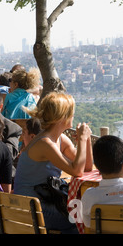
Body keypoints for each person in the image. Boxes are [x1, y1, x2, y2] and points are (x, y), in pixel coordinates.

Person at [13, 92, 93, 233]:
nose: (73, 116)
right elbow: (77, 171)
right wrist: (80, 140)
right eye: (71, 113)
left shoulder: (59, 138)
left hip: (43, 202)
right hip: (32, 207)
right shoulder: (45, 142)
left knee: (83, 216)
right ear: (62, 117)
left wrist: (86, 140)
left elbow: (86, 166)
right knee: (82, 219)